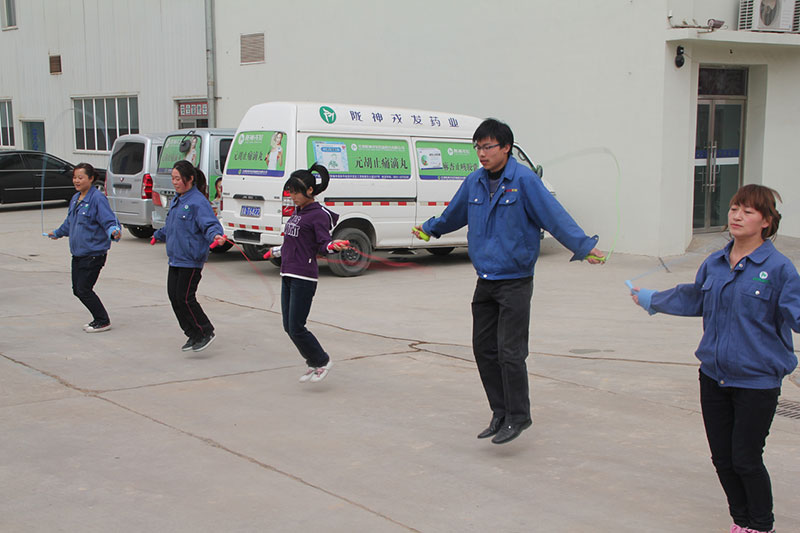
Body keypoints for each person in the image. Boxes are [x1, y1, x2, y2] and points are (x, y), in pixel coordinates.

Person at [413, 118, 605, 445]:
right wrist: (430, 228)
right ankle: (499, 412)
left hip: (515, 280)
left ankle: (518, 416)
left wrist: (584, 246)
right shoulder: (474, 182)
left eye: (488, 147)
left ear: (506, 148)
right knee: (483, 350)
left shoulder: (525, 181)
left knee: (510, 352)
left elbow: (554, 216)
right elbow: (453, 214)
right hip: (485, 279)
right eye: (478, 147)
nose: (481, 153)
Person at [631, 185, 798, 533]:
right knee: (723, 459)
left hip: (756, 382)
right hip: (713, 377)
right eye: (735, 208)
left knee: (746, 459)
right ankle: (741, 522)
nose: (737, 216)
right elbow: (694, 297)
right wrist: (652, 299)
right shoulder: (715, 263)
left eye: (748, 211)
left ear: (766, 222)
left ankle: (761, 526)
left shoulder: (780, 269)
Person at [268, 163, 348, 383]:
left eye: (296, 192)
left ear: (310, 190)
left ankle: (322, 360)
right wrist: (276, 251)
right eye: (290, 191)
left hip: (303, 276)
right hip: (288, 273)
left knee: (296, 326)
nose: (292, 196)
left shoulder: (318, 215)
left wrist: (333, 246)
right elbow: (294, 241)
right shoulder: (298, 212)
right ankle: (313, 362)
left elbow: (323, 244)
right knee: (288, 326)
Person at [152, 160, 225, 352]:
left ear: (190, 179)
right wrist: (158, 235)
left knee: (185, 297)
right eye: (173, 178)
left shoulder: (197, 202)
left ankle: (205, 331)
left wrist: (216, 236)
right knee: (174, 297)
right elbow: (171, 225)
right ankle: (192, 334)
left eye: (178, 179)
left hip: (191, 259)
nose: (175, 182)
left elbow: (210, 224)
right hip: (175, 257)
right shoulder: (178, 200)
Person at [49, 163, 121, 333]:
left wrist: (114, 231)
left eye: (80, 177)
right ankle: (99, 319)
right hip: (78, 253)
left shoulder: (97, 198)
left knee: (83, 289)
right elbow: (70, 222)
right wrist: (57, 233)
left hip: (93, 254)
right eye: (74, 177)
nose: (76, 181)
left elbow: (109, 221)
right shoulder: (76, 198)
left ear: (91, 178)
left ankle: (102, 320)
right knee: (78, 290)